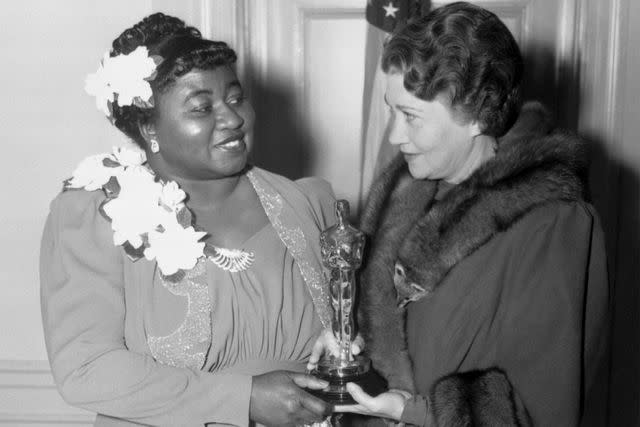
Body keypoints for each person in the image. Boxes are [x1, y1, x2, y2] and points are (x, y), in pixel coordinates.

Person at [308, 2, 610, 426]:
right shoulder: (404, 193)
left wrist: (416, 412)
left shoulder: (553, 223)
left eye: (411, 117)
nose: (394, 135)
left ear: (476, 116)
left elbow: (545, 408)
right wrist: (350, 343)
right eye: (391, 110)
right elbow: (394, 336)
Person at [40, 13, 336, 427]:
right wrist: (243, 399)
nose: (232, 118)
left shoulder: (309, 203)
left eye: (235, 97)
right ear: (148, 127)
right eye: (202, 108)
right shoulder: (94, 216)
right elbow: (86, 368)